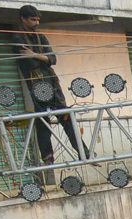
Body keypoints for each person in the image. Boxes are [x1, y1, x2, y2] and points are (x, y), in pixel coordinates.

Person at [12, 6, 87, 165]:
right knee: (43, 121)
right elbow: (31, 63)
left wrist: (34, 54)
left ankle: (84, 152)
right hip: (36, 86)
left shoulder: (41, 37)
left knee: (66, 117)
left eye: (38, 19)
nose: (36, 22)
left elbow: (52, 59)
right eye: (33, 19)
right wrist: (41, 58)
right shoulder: (17, 38)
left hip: (52, 83)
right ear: (23, 19)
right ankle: (48, 158)